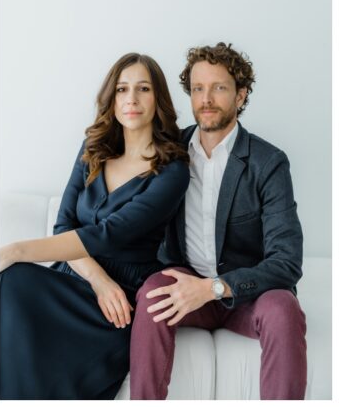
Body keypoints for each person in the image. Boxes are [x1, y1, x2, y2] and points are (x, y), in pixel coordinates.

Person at [0, 54, 189, 399]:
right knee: (12, 281)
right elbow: (64, 225)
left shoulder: (172, 171)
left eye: (143, 89)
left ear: (157, 99)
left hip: (120, 300)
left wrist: (17, 249)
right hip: (77, 278)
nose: (131, 99)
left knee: (14, 268)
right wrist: (98, 279)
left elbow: (107, 235)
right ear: (111, 99)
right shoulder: (93, 149)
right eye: (122, 89)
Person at [129, 44, 306, 399]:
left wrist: (213, 288)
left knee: (284, 310)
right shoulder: (168, 153)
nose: (206, 99)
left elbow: (286, 261)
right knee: (151, 295)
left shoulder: (269, 163)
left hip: (249, 293)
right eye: (198, 89)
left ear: (241, 95)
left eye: (219, 88)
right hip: (186, 281)